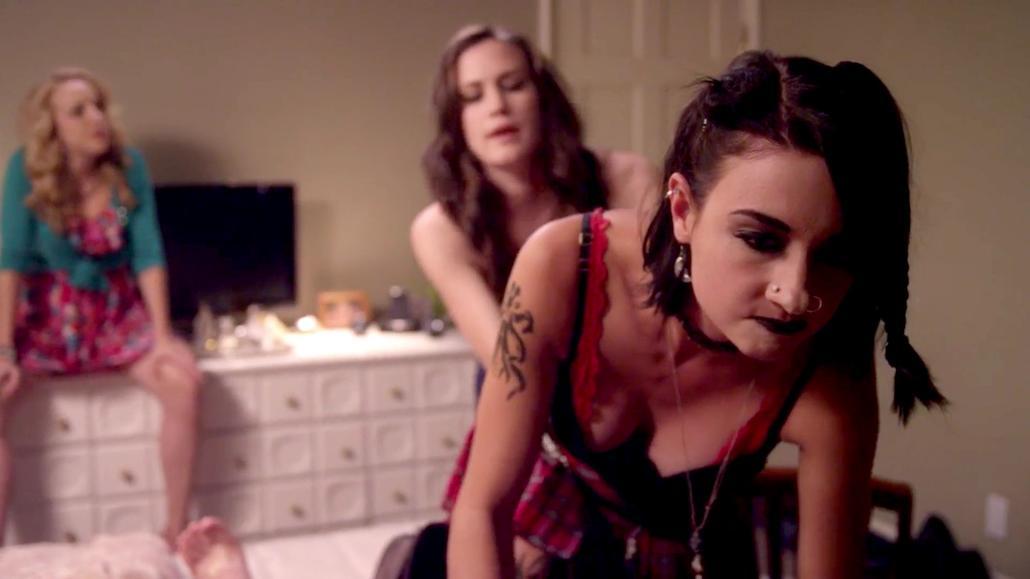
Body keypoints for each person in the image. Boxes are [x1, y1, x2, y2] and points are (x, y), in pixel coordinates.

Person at [445, 50, 947, 578]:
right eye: (761, 239)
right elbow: (483, 508)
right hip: (539, 549)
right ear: (683, 210)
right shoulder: (565, 265)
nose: (796, 294)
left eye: (835, 255)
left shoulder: (828, 376)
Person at [0, 68, 201, 545]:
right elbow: (10, 261)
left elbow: (147, 252)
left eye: (98, 106)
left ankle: (176, 530)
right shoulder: (26, 171)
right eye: (78, 111)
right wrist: (4, 349)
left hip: (115, 317)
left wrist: (162, 337)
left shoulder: (127, 170)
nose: (97, 118)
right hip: (46, 321)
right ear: (53, 127)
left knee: (183, 383)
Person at [411, 24, 658, 369]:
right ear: (456, 120)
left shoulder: (627, 178)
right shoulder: (439, 229)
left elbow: (665, 315)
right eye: (472, 96)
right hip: (516, 380)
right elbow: (508, 364)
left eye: (513, 85)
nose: (497, 106)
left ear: (543, 98)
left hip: (636, 374)